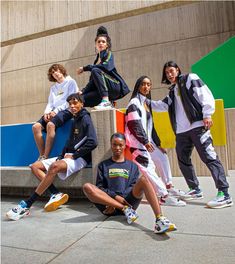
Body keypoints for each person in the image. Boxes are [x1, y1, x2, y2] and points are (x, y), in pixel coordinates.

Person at [6, 93, 98, 221]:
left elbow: (93, 142)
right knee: (35, 166)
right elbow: (69, 142)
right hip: (67, 157)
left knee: (54, 167)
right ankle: (55, 193)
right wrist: (61, 156)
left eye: (75, 103)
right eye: (70, 103)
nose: (72, 106)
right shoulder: (75, 119)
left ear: (82, 104)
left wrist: (75, 155)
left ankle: (27, 204)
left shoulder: (85, 118)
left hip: (79, 158)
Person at [157, 60, 233, 209]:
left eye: (171, 71)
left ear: (178, 70)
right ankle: (195, 189)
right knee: (182, 158)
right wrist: (145, 102)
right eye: (167, 73)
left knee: (209, 156)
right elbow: (163, 105)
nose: (169, 74)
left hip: (197, 125)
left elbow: (204, 93)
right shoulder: (172, 91)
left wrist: (207, 114)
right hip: (182, 131)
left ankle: (224, 194)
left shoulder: (190, 79)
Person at [83, 133, 177, 234]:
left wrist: (123, 199)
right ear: (111, 145)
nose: (117, 148)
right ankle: (124, 209)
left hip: (128, 202)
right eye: (114, 144)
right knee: (87, 187)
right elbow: (100, 188)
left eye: (120, 145)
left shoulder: (132, 166)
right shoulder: (103, 165)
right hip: (109, 205)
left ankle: (160, 220)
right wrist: (115, 198)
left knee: (144, 180)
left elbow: (132, 186)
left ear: (125, 146)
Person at [125, 76, 186, 207]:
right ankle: (164, 196)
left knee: (162, 157)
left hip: (147, 143)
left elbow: (150, 127)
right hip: (138, 144)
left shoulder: (145, 103)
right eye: (143, 84)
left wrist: (157, 144)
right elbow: (134, 124)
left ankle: (168, 186)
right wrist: (145, 141)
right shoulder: (134, 103)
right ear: (138, 86)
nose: (146, 87)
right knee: (149, 168)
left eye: (149, 84)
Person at [32, 64, 79, 161]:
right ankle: (41, 155)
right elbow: (50, 103)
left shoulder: (71, 82)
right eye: (53, 73)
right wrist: (47, 112)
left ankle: (45, 156)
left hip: (67, 110)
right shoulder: (53, 88)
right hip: (53, 111)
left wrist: (56, 111)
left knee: (50, 124)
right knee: (36, 127)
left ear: (61, 70)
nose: (55, 74)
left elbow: (71, 100)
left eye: (56, 71)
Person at [77, 26, 130, 110]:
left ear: (107, 45)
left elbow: (105, 67)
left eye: (103, 42)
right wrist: (83, 91)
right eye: (99, 42)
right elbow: (93, 82)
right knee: (78, 99)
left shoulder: (109, 54)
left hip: (114, 86)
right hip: (101, 91)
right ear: (96, 44)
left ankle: (106, 101)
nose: (101, 43)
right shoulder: (96, 60)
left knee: (95, 70)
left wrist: (85, 68)